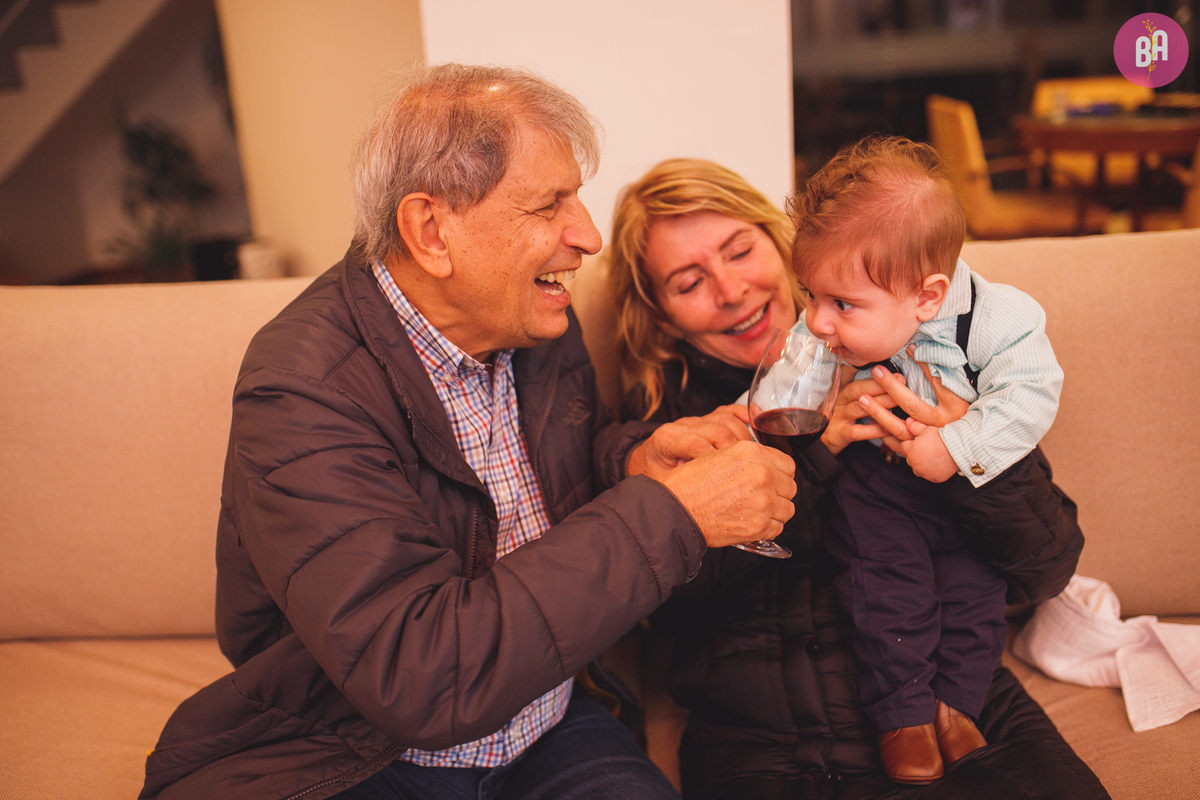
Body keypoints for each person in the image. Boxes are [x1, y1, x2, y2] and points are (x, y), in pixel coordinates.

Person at [139, 64, 798, 800]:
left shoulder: (532, 316)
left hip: (551, 725)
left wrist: (635, 460)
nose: (586, 236)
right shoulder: (301, 389)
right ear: (431, 232)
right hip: (364, 754)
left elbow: (561, 470)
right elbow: (420, 674)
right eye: (548, 205)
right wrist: (674, 513)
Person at [610, 157, 1108, 799]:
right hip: (769, 744)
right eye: (689, 282)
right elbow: (671, 599)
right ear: (660, 315)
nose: (731, 290)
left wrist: (959, 450)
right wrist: (816, 454)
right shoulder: (660, 432)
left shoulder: (934, 356)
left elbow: (1046, 569)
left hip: (960, 707)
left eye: (740, 251)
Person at [792, 135, 1064, 784]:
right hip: (876, 486)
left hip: (963, 488)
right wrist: (778, 413)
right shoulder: (831, 321)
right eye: (810, 295)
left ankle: (955, 706)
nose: (818, 321)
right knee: (886, 593)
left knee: (974, 595)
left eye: (840, 304)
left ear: (927, 296)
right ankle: (903, 716)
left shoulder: (1002, 320)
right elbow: (793, 380)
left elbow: (1031, 395)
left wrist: (955, 446)